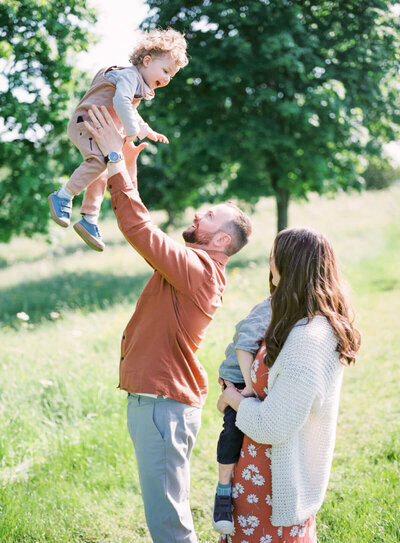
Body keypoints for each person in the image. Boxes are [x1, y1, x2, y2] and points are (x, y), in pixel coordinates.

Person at [84, 105, 253, 543]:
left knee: (169, 525)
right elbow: (144, 228)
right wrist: (126, 167)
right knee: (166, 514)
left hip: (163, 405)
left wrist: (114, 161)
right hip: (159, 404)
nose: (198, 213)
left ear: (221, 240)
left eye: (209, 216)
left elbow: (141, 230)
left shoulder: (200, 270)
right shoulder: (195, 266)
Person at [217, 227, 361, 542]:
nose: (269, 261)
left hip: (274, 486)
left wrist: (232, 398)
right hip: (258, 475)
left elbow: (273, 425)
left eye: (275, 255)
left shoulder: (309, 338)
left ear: (290, 266)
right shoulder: (294, 320)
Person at [48, 28, 188, 252]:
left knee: (102, 170)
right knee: (98, 162)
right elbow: (122, 103)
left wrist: (146, 130)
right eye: (164, 70)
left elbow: (131, 110)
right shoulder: (129, 76)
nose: (167, 78)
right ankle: (62, 196)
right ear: (147, 60)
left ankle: (89, 218)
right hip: (87, 124)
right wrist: (131, 130)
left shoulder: (137, 84)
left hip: (98, 129)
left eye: (171, 75)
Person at [213, 295, 272, 534]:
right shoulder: (267, 309)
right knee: (233, 432)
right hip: (239, 377)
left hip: (257, 379)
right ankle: (223, 491)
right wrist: (246, 388)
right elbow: (244, 344)